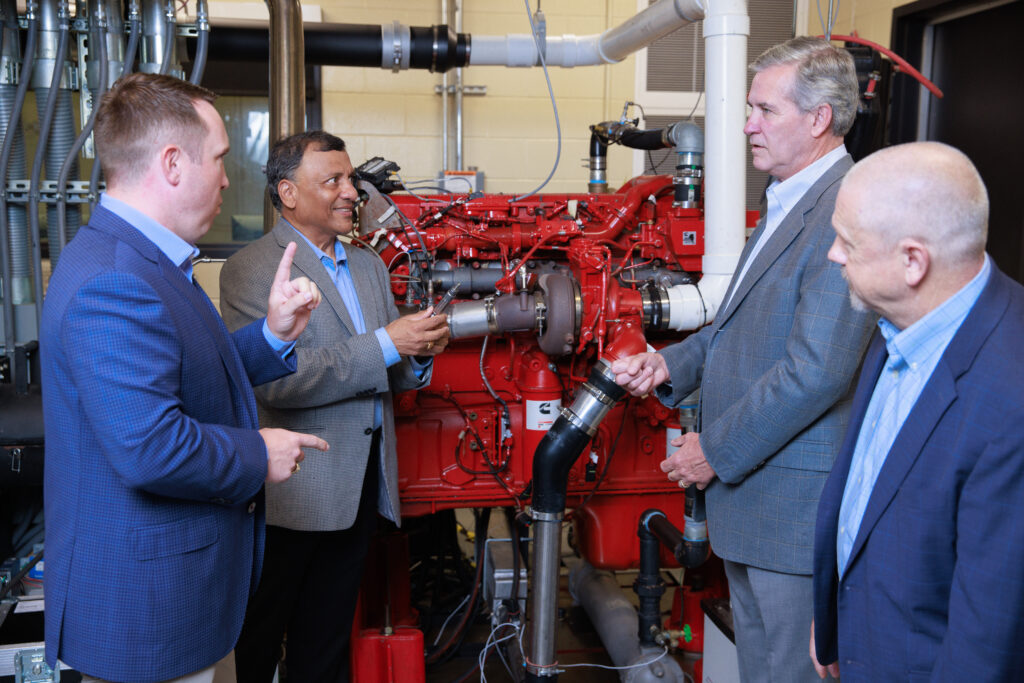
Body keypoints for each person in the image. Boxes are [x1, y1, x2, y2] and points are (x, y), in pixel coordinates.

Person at [41, 73, 329, 683]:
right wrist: (257, 453)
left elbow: (190, 372)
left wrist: (274, 334)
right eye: (220, 159)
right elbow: (149, 447)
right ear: (173, 164)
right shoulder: (115, 280)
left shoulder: (146, 258)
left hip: (175, 604)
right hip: (146, 618)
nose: (227, 177)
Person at [611, 37, 876, 682]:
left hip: (792, 510)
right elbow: (742, 325)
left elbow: (816, 370)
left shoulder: (845, 208)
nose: (748, 124)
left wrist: (715, 450)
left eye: (765, 110)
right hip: (756, 504)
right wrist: (671, 364)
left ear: (818, 120)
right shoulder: (787, 199)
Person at [220, 130, 449, 682]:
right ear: (289, 193)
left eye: (352, 179)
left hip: (360, 485)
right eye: (334, 180)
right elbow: (279, 382)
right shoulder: (251, 270)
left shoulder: (367, 266)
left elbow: (384, 366)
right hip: (295, 493)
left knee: (324, 645)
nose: (353, 192)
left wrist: (416, 354)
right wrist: (392, 342)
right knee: (257, 641)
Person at [810, 142, 1024, 681]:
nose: (833, 254)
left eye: (848, 242)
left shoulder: (1011, 399)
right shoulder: (898, 319)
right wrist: (834, 618)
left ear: (912, 261)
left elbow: (989, 631)